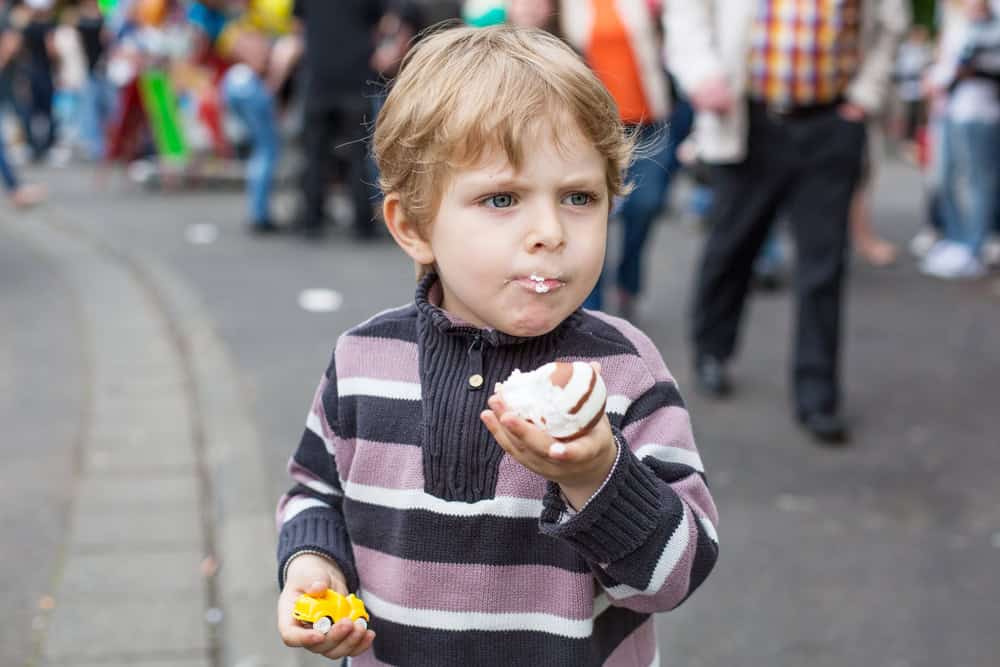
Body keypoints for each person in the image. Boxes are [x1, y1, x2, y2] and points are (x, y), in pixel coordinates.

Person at [274, 25, 719, 665]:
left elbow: (675, 578)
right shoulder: (362, 360)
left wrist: (596, 475)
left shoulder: (624, 372)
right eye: (502, 198)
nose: (548, 232)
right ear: (414, 226)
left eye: (578, 197)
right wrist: (313, 564)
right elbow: (315, 492)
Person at [665, 0, 909, 443]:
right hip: (750, 118)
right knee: (732, 245)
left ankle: (818, 397)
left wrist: (864, 97)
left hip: (831, 124)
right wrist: (702, 75)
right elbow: (686, 12)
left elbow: (892, 23)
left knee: (823, 265)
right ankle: (711, 350)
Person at [561, 0, 690, 319]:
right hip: (594, 128)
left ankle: (628, 281)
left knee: (646, 204)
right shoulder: (567, 7)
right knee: (591, 217)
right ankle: (592, 308)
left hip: (647, 121)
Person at [920, 0, 1000, 279]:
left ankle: (974, 248)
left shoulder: (989, 15)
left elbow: (972, 58)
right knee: (951, 179)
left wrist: (947, 77)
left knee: (979, 183)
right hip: (954, 109)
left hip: (980, 110)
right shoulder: (957, 17)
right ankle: (958, 241)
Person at [293, 0, 385, 240]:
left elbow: (298, 24)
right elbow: (381, 23)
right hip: (356, 79)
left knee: (314, 154)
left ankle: (311, 220)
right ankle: (362, 224)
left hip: (319, 80)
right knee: (359, 154)